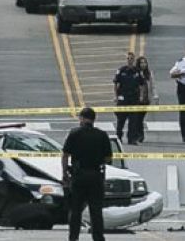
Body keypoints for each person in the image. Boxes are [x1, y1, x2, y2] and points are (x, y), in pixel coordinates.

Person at [62, 107, 112, 241]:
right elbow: (108, 158)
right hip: (95, 175)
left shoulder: (74, 133)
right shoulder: (102, 135)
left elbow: (65, 155)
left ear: (83, 118)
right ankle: (98, 238)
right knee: (96, 211)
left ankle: (73, 238)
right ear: (94, 119)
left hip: (79, 175)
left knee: (76, 210)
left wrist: (65, 174)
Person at [113, 52, 144, 145]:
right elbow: (116, 84)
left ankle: (132, 139)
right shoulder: (121, 70)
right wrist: (116, 97)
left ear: (134, 60)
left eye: (131, 58)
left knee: (133, 120)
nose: (130, 60)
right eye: (128, 58)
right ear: (126, 60)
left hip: (134, 98)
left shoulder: (137, 71)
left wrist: (141, 96)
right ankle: (118, 138)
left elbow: (141, 85)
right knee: (121, 120)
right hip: (123, 98)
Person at [136, 55, 155, 143]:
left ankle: (139, 134)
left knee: (140, 118)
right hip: (136, 99)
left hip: (145, 99)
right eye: (141, 63)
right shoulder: (135, 72)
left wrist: (154, 95)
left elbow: (152, 86)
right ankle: (139, 135)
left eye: (145, 63)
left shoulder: (149, 73)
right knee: (137, 118)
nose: (143, 64)